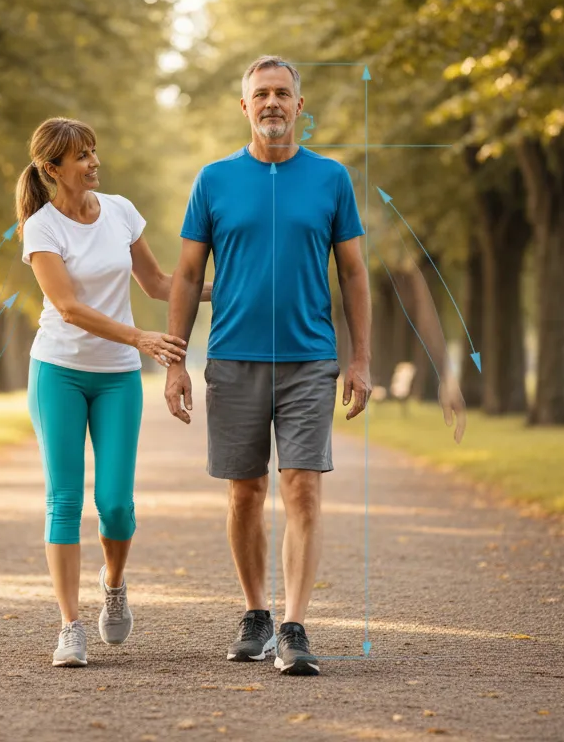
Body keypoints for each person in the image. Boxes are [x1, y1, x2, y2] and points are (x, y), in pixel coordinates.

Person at [164, 56, 468, 676]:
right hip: (232, 358)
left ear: (300, 106)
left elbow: (354, 273)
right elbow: (189, 274)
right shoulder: (213, 180)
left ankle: (295, 626)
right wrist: (174, 361)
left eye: (283, 93)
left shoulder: (330, 179)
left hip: (309, 362)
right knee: (245, 493)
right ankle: (257, 613)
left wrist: (360, 360)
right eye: (261, 95)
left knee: (303, 489)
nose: (272, 103)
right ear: (244, 107)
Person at [0, 117, 211, 668]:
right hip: (59, 373)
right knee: (63, 501)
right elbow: (67, 308)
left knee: (115, 505)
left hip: (116, 378)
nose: (93, 162)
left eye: (93, 151)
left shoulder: (120, 211)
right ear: (52, 170)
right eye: (81, 156)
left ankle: (113, 585)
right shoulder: (41, 228)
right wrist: (140, 336)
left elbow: (162, 285)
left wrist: (231, 290)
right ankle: (70, 626)